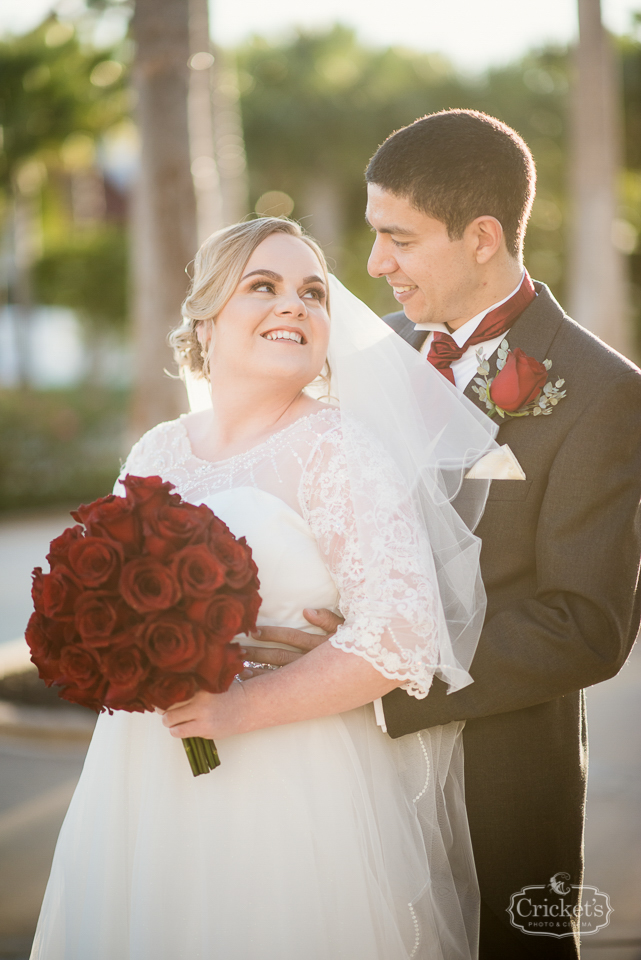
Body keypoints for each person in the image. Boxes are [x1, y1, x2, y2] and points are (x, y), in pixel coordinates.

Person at [31, 216, 500, 960]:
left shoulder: (337, 448)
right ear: (206, 321)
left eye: (312, 293)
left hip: (290, 781)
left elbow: (402, 636)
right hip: (143, 778)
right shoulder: (157, 449)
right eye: (264, 286)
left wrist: (241, 705)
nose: (296, 305)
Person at [242, 111, 641, 960]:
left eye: (399, 239)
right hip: (344, 774)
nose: (376, 263)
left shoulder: (604, 393)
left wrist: (383, 679)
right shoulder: (363, 355)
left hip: (500, 772)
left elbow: (588, 626)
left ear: (482, 237)